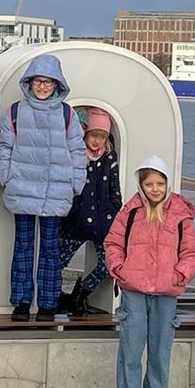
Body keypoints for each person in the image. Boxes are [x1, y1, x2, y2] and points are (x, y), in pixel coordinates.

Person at [103, 155, 195, 388]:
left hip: (166, 295)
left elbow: (192, 254)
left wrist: (179, 276)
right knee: (131, 354)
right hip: (134, 292)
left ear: (168, 183)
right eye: (149, 183)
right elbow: (112, 243)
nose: (155, 189)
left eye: (160, 183)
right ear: (141, 185)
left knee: (160, 355)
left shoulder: (180, 216)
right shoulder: (130, 212)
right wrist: (120, 270)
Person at [0, 52, 88, 322]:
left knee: (50, 248)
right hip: (22, 187)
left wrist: (75, 182)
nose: (43, 87)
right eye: (39, 81)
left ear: (58, 84)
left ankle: (47, 303)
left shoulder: (67, 114)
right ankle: (22, 302)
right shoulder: (15, 112)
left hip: (56, 190)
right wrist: (6, 176)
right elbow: (4, 147)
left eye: (49, 82)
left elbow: (77, 149)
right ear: (30, 82)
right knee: (23, 246)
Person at [57, 108, 121, 319]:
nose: (96, 141)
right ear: (85, 134)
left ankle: (81, 293)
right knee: (58, 261)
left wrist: (114, 209)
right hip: (76, 223)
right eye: (93, 135)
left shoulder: (109, 159)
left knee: (107, 264)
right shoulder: (77, 156)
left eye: (101, 137)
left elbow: (114, 188)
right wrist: (70, 213)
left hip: (103, 223)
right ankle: (55, 296)